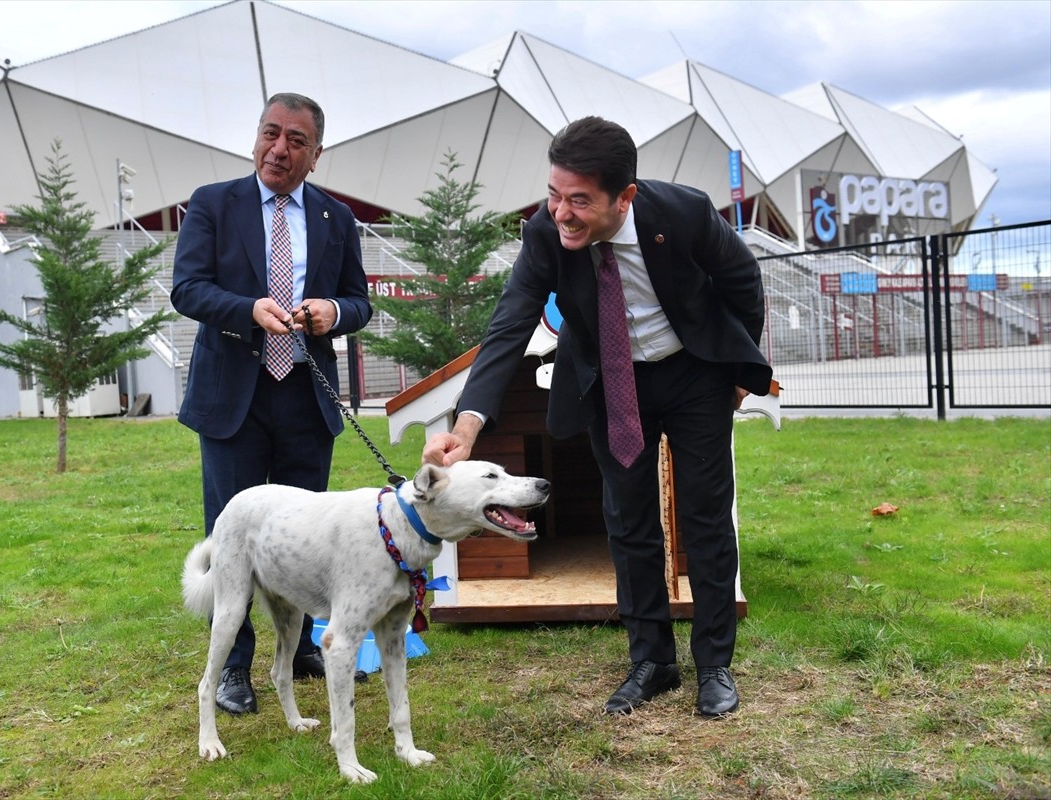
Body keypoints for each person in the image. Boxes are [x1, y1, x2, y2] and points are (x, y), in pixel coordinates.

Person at [422, 116, 772, 718]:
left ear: (624, 197)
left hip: (692, 373)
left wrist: (740, 372)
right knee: (628, 520)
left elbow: (743, 280)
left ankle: (714, 664)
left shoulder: (684, 213)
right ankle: (652, 661)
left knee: (706, 517)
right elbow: (511, 322)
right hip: (611, 380)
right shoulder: (544, 232)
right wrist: (467, 425)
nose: (561, 213)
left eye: (580, 200)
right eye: (554, 194)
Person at [171, 92, 373, 715]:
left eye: (296, 141)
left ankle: (304, 647)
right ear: (256, 137)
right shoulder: (212, 203)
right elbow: (187, 289)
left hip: (306, 398)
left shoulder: (337, 217)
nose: (279, 149)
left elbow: (359, 301)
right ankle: (233, 667)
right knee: (230, 534)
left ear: (316, 154)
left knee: (307, 534)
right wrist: (248, 310)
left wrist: (332, 312)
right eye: (270, 133)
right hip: (232, 398)